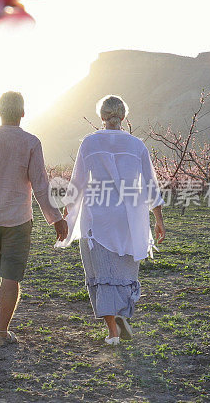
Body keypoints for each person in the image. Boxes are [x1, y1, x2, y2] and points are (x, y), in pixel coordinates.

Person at [56, 95, 166, 346]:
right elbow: (151, 185)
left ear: (102, 116)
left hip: (99, 217)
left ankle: (112, 331)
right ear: (123, 117)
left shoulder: (90, 143)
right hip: (130, 219)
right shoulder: (137, 145)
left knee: (101, 272)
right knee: (125, 270)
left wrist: (68, 213)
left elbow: (78, 182)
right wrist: (158, 219)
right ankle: (122, 314)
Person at [0, 91, 68, 346]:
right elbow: (41, 185)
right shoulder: (31, 143)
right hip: (18, 221)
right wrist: (56, 218)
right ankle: (2, 334)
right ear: (23, 113)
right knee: (10, 275)